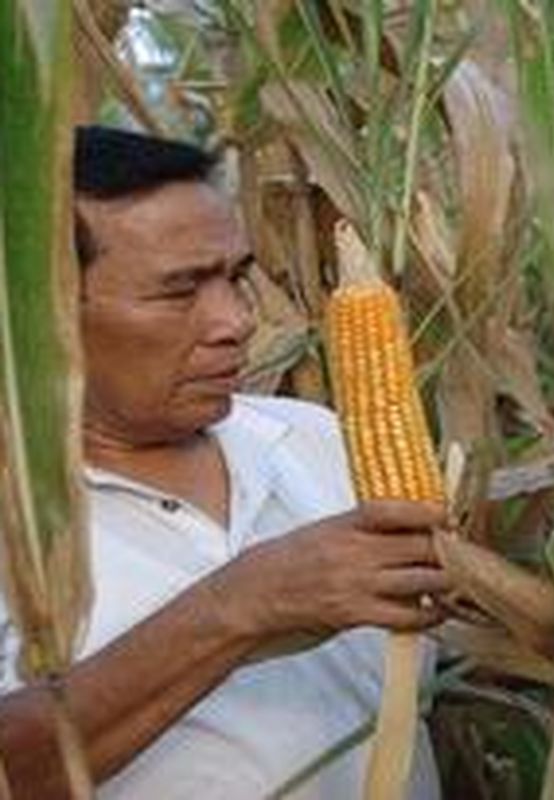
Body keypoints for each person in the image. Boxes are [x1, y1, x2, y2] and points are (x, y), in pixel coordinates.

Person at [0, 126, 449, 799]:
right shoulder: (19, 521)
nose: (235, 320)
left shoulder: (319, 440)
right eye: (180, 292)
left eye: (236, 277)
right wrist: (241, 604)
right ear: (39, 314)